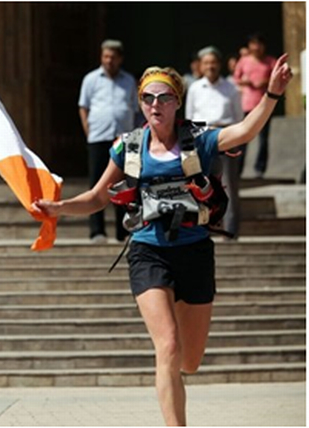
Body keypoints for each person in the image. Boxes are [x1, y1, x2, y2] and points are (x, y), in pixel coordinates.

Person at [33, 55, 292, 426]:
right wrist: (58, 207)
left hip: (195, 251)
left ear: (177, 102)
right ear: (140, 103)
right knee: (167, 346)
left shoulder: (200, 141)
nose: (156, 104)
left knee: (190, 360)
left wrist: (271, 93)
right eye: (148, 98)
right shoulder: (129, 146)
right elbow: (97, 197)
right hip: (148, 251)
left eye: (165, 97)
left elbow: (246, 130)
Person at [78, 39, 137, 243]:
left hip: (123, 139)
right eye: (105, 56)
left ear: (120, 59)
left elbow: (136, 109)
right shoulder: (91, 79)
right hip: (98, 137)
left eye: (113, 57)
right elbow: (83, 107)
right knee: (97, 184)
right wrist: (88, 131)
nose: (109, 60)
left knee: (124, 185)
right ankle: (97, 231)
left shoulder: (129, 81)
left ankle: (124, 230)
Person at [185, 46, 243, 239]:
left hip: (226, 137)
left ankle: (231, 231)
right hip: (201, 139)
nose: (210, 66)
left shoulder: (231, 88)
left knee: (229, 186)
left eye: (213, 62)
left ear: (219, 64)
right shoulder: (194, 88)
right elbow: (189, 118)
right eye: (206, 63)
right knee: (200, 186)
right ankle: (202, 229)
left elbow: (238, 118)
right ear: (201, 66)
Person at [233, 33, 277, 178]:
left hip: (265, 104)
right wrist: (246, 82)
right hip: (247, 104)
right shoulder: (244, 60)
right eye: (253, 43)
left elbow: (278, 79)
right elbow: (236, 78)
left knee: (263, 139)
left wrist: (265, 82)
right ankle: (238, 170)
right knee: (243, 137)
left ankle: (260, 169)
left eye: (259, 44)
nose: (256, 47)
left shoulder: (270, 61)